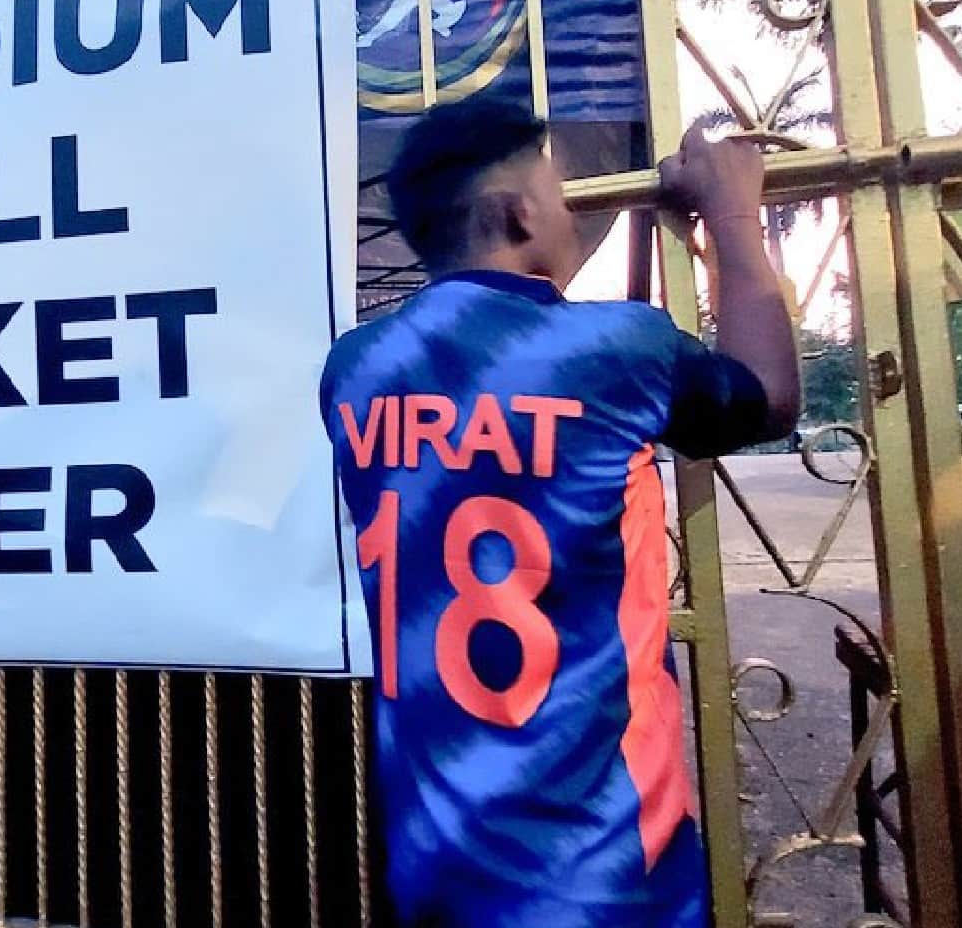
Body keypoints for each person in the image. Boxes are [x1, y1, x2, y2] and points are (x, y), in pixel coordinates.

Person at [320, 102, 799, 926]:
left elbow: (534, 397)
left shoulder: (356, 368)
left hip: (432, 851)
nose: (575, 212)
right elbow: (770, 398)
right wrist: (729, 213)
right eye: (562, 192)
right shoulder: (617, 350)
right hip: (601, 858)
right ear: (521, 213)